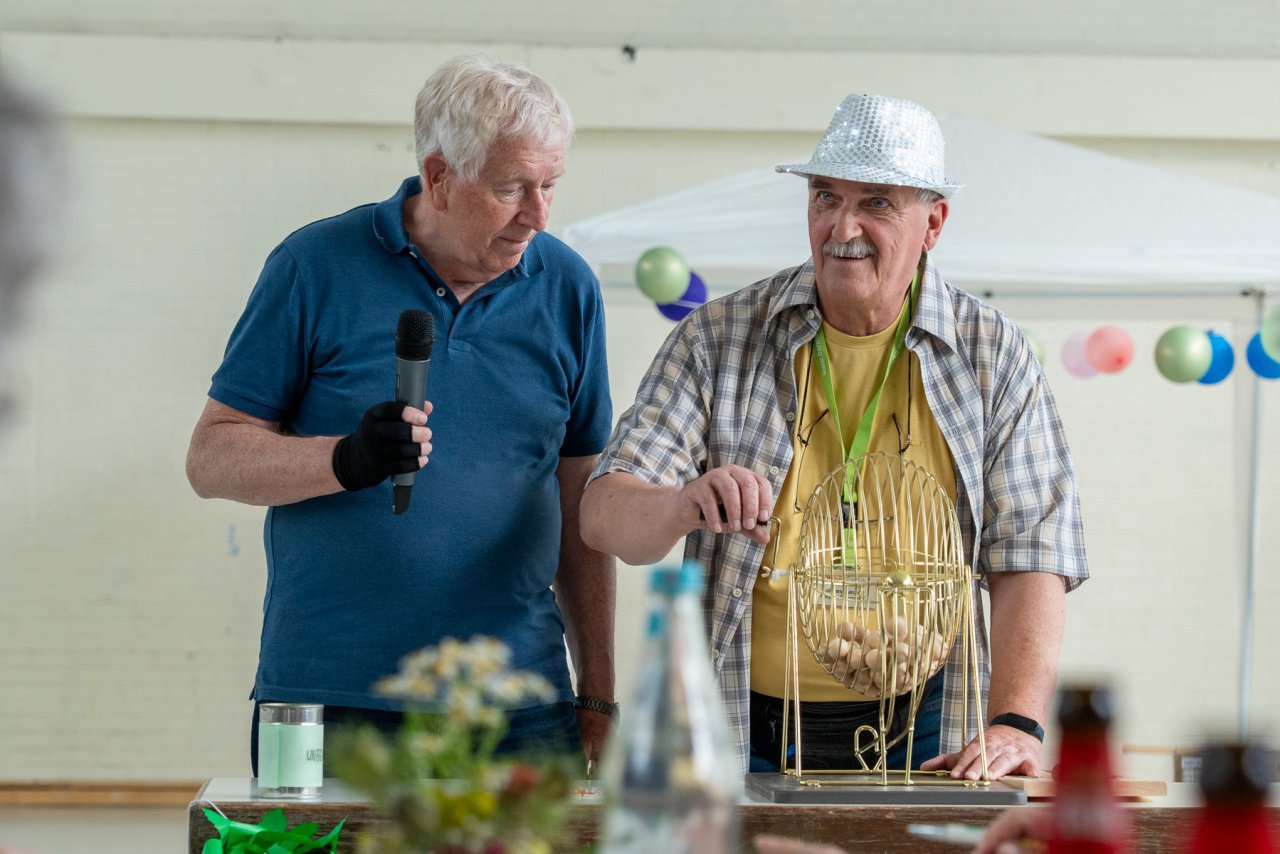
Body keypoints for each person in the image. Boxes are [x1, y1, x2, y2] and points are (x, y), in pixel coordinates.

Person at [581, 93, 1087, 779]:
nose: (842, 227)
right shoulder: (717, 338)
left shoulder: (992, 354)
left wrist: (1016, 723)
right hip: (740, 719)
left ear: (933, 222)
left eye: (876, 203)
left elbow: (1032, 548)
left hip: (934, 728)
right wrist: (679, 505)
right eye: (825, 197)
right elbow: (603, 515)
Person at [185, 54, 617, 770]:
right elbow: (211, 459)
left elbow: (581, 498)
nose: (538, 216)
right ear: (439, 176)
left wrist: (598, 690)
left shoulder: (568, 288)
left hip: (519, 704)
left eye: (550, 186)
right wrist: (341, 459)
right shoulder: (314, 265)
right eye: (511, 188)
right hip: (327, 699)